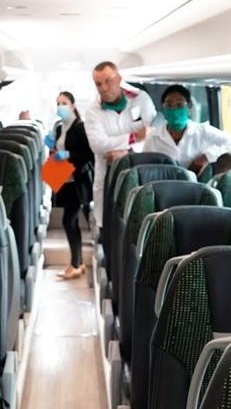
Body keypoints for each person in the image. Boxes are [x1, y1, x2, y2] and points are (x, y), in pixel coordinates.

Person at [82, 61, 157, 231]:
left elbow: (152, 133)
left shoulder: (141, 98)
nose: (104, 87)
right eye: (98, 83)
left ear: (119, 78)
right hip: (108, 175)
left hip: (141, 172)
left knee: (139, 226)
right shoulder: (93, 111)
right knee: (110, 230)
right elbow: (99, 145)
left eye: (108, 80)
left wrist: (125, 152)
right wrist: (135, 137)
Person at [142, 85, 231, 175]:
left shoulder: (203, 132)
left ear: (189, 108)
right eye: (169, 105)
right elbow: (145, 170)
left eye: (179, 105)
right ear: (163, 109)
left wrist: (207, 156)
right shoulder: (153, 138)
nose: (174, 110)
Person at [50, 91, 94, 279]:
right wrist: (53, 150)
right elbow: (59, 149)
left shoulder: (80, 127)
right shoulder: (60, 128)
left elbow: (88, 155)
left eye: (64, 103)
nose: (61, 106)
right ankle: (79, 263)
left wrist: (67, 155)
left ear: (73, 105)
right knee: (72, 221)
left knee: (68, 220)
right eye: (58, 103)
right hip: (64, 178)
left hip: (78, 180)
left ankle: (75, 264)